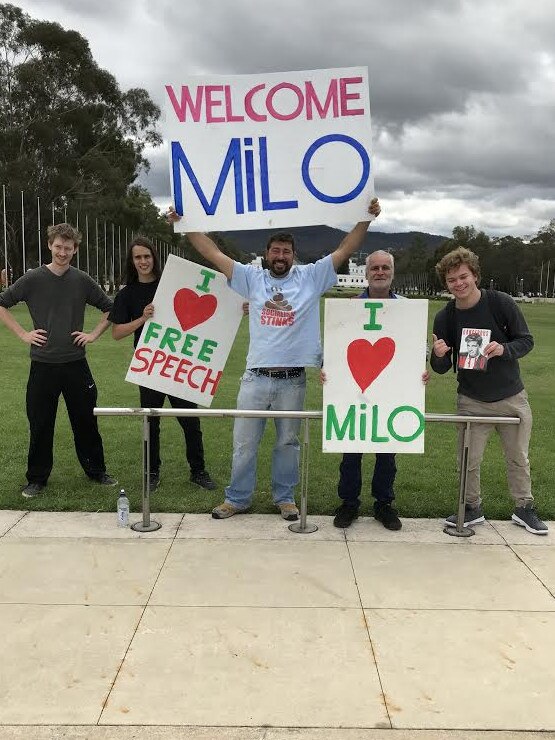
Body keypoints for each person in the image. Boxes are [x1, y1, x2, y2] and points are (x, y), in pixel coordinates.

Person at [170, 198, 381, 520]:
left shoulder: (310, 277)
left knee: (287, 444)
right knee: (244, 444)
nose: (280, 256)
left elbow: (343, 249)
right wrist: (184, 225)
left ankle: (285, 498)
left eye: (286, 252)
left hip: (292, 381)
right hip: (255, 378)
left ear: (293, 256)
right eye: (275, 251)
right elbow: (212, 253)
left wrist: (366, 218)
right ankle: (237, 498)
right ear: (267, 254)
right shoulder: (251, 278)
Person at [431, 247, 547, 535]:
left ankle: (524, 508)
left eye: (463, 277)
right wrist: (438, 354)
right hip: (471, 400)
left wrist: (503, 349)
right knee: (468, 461)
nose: (458, 284)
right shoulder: (445, 317)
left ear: (475, 276)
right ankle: (471, 508)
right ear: (445, 284)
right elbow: (442, 367)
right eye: (451, 280)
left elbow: (526, 341)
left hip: (511, 397)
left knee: (518, 457)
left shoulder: (500, 303)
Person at [0, 223, 117, 497]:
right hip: (43, 364)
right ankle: (37, 478)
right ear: (50, 246)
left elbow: (111, 308)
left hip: (76, 363)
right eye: (58, 246)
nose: (62, 252)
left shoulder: (82, 280)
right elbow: (2, 304)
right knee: (41, 423)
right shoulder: (32, 279)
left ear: (75, 250)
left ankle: (96, 471)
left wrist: (93, 335)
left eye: (68, 247)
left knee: (86, 421)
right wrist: (23, 334)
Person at [327, 250, 429, 531]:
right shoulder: (349, 307)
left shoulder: (407, 308)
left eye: (385, 267)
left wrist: (421, 368)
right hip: (354, 389)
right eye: (375, 268)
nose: (380, 272)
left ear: (392, 272)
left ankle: (384, 504)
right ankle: (348, 503)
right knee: (351, 450)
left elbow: (420, 349)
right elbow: (334, 350)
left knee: (387, 452)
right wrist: (329, 371)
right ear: (367, 272)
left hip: (392, 389)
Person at [109, 236, 215, 491]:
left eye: (147, 256)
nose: (143, 261)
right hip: (151, 367)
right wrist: (141, 319)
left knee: (190, 420)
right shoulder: (127, 294)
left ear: (154, 258)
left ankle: (198, 471)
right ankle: (152, 472)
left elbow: (211, 298)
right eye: (138, 257)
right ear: (132, 262)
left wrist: (237, 308)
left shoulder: (171, 286)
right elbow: (117, 333)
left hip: (179, 365)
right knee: (151, 421)